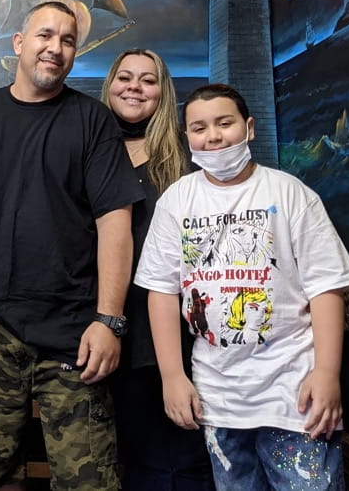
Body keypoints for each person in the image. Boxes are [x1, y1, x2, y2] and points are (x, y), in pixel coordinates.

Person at [0, 0, 142, 491]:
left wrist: (109, 320)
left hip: (75, 331)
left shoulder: (93, 121)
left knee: (90, 483)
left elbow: (115, 220)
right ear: (19, 43)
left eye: (68, 40)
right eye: (45, 35)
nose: (55, 48)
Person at [135, 84, 349, 491]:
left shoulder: (291, 194)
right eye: (199, 128)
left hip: (295, 396)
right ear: (187, 136)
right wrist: (172, 376)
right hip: (217, 399)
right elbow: (162, 291)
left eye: (225, 123)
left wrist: (327, 372)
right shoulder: (176, 201)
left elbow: (326, 288)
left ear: (249, 127)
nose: (213, 136)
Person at [100, 50, 214, 490]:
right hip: (103, 322)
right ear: (110, 84)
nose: (135, 87)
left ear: (163, 92)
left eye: (148, 80)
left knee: (184, 454)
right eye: (125, 77)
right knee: (130, 454)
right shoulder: (89, 149)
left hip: (171, 328)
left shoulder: (187, 158)